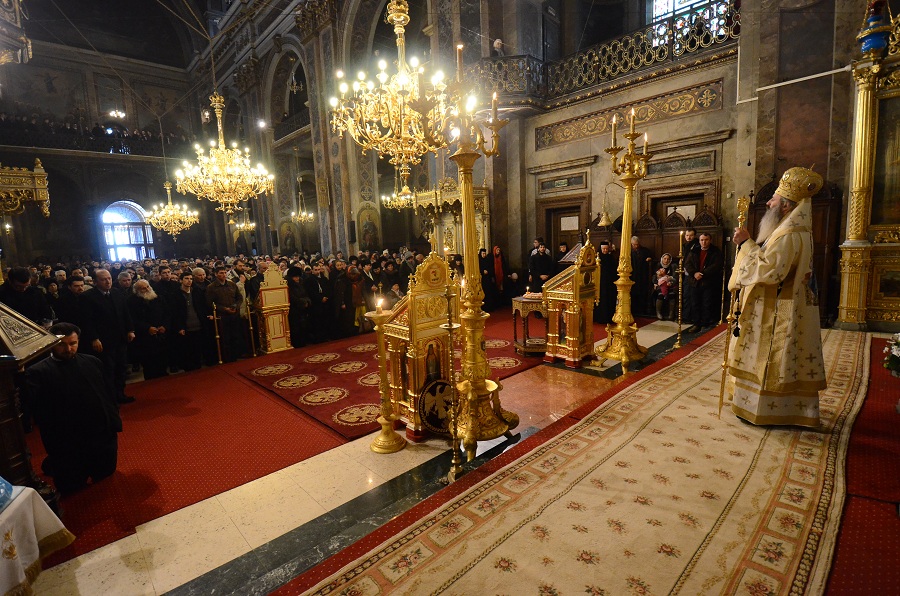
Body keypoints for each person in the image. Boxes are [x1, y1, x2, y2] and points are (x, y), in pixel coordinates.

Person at [727, 166, 826, 428]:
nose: (769, 202)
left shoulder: (788, 235)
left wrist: (746, 244)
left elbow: (770, 271)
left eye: (773, 199)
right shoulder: (795, 230)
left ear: (784, 206)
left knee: (771, 359)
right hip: (786, 304)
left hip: (777, 309)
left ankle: (767, 410)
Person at [25, 322, 122, 494]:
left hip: (99, 436)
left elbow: (108, 395)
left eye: (73, 343)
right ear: (51, 343)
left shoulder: (92, 362)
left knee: (106, 474)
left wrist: (113, 422)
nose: (68, 349)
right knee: (72, 488)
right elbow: (41, 413)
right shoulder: (38, 372)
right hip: (68, 442)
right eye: (62, 345)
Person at [80, 269, 136, 403]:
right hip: (103, 340)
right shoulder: (87, 297)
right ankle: (110, 399)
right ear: (95, 282)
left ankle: (120, 394)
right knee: (108, 371)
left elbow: (125, 313)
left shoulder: (117, 293)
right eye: (103, 279)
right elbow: (87, 321)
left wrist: (130, 330)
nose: (107, 281)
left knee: (121, 368)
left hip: (120, 337)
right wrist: (94, 338)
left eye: (109, 278)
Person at [683, 232, 723, 332]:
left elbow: (715, 266)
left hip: (708, 281)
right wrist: (694, 273)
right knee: (695, 303)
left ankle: (705, 324)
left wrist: (702, 273)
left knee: (707, 303)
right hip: (694, 281)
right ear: (699, 240)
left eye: (706, 240)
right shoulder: (694, 251)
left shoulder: (715, 251)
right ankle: (696, 323)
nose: (704, 242)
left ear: (710, 240)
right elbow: (688, 264)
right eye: (702, 240)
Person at [594, 241, 618, 324]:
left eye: (606, 249)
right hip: (600, 283)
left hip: (609, 283)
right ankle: (600, 318)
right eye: (603, 249)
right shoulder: (597, 258)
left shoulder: (611, 257)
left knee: (609, 299)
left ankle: (609, 317)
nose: (605, 250)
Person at [629, 236, 654, 317]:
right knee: (633, 293)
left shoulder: (645, 250)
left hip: (642, 275)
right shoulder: (628, 252)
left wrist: (649, 259)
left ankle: (642, 310)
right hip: (633, 275)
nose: (635, 246)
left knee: (642, 292)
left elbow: (650, 257)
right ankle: (633, 310)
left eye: (637, 244)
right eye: (634, 245)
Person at [653, 253, 677, 320]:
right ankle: (658, 312)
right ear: (662, 259)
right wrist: (655, 283)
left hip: (670, 285)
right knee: (660, 294)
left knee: (672, 294)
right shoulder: (658, 265)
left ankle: (671, 313)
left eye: (668, 259)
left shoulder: (673, 266)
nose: (666, 260)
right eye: (665, 259)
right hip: (660, 284)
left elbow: (676, 277)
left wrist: (671, 281)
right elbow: (654, 276)